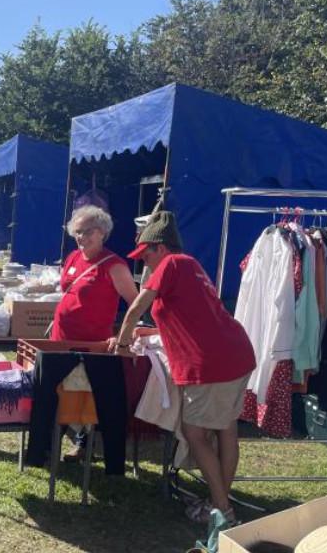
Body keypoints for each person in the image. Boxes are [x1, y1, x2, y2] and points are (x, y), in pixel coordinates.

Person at [114, 210, 255, 525]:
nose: (144, 263)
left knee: (194, 432)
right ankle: (220, 502)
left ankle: (223, 511)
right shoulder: (192, 266)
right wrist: (150, 333)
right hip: (236, 354)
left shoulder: (171, 264)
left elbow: (137, 307)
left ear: (160, 248)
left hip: (211, 364)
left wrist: (122, 344)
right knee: (226, 430)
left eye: (146, 255)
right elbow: (193, 317)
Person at [52, 205, 138, 462]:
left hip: (91, 343)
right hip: (61, 338)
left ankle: (82, 444)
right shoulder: (72, 258)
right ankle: (58, 440)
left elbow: (135, 304)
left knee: (83, 393)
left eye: (88, 231)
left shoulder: (114, 265)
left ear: (102, 232)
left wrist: (121, 336)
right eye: (77, 232)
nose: (81, 237)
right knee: (60, 390)